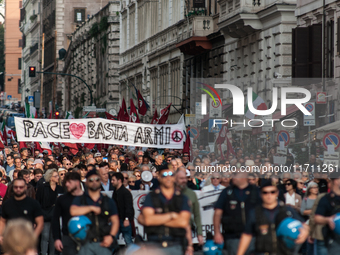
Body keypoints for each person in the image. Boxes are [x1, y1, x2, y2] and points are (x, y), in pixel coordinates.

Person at [236, 180, 309, 255]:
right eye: (265, 192)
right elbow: (247, 235)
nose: (269, 195)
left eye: (272, 192)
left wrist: (304, 232)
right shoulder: (255, 212)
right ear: (260, 194)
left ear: (277, 193)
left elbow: (304, 225)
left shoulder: (286, 210)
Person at [137, 165, 191, 255]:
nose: (168, 178)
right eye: (164, 175)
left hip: (176, 244)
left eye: (171, 174)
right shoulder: (151, 197)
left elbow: (183, 222)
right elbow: (147, 220)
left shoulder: (182, 198)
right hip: (155, 246)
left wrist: (156, 220)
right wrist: (172, 216)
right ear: (159, 178)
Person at [70, 169, 119, 255]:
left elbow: (115, 221)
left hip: (103, 242)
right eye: (91, 180)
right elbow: (73, 211)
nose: (94, 182)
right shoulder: (80, 199)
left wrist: (111, 237)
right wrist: (91, 208)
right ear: (86, 182)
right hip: (85, 243)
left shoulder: (107, 201)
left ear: (100, 181)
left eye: (97, 179)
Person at [214, 171, 260, 255]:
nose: (233, 176)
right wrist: (217, 232)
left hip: (254, 236)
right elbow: (217, 213)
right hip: (233, 236)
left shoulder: (256, 191)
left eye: (236, 174)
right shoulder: (227, 192)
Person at [52, 172, 84, 255]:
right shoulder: (62, 199)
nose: (66, 184)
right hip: (68, 237)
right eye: (66, 182)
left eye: (69, 182)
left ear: (77, 182)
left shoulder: (87, 198)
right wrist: (57, 238)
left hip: (86, 238)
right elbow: (55, 219)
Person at [36, 169, 64, 255]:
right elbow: (38, 201)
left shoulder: (60, 188)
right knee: (45, 236)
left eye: (58, 176)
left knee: (53, 237)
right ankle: (43, 253)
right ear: (50, 177)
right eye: (55, 176)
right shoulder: (43, 187)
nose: (58, 177)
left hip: (56, 215)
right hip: (45, 215)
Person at [176, 168, 204, 246]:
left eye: (185, 178)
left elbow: (197, 215)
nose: (184, 180)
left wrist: (199, 233)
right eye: (181, 178)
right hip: (172, 231)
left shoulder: (191, 194)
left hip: (188, 229)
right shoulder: (170, 193)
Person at [314, 174, 340, 254]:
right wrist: (328, 220)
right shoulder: (326, 199)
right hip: (332, 239)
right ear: (336, 181)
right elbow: (317, 217)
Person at [111, 172, 134, 245]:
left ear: (119, 180)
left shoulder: (125, 192)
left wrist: (126, 219)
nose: (111, 182)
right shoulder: (115, 192)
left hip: (124, 220)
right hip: (116, 220)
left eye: (113, 180)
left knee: (128, 241)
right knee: (112, 241)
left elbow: (128, 207)